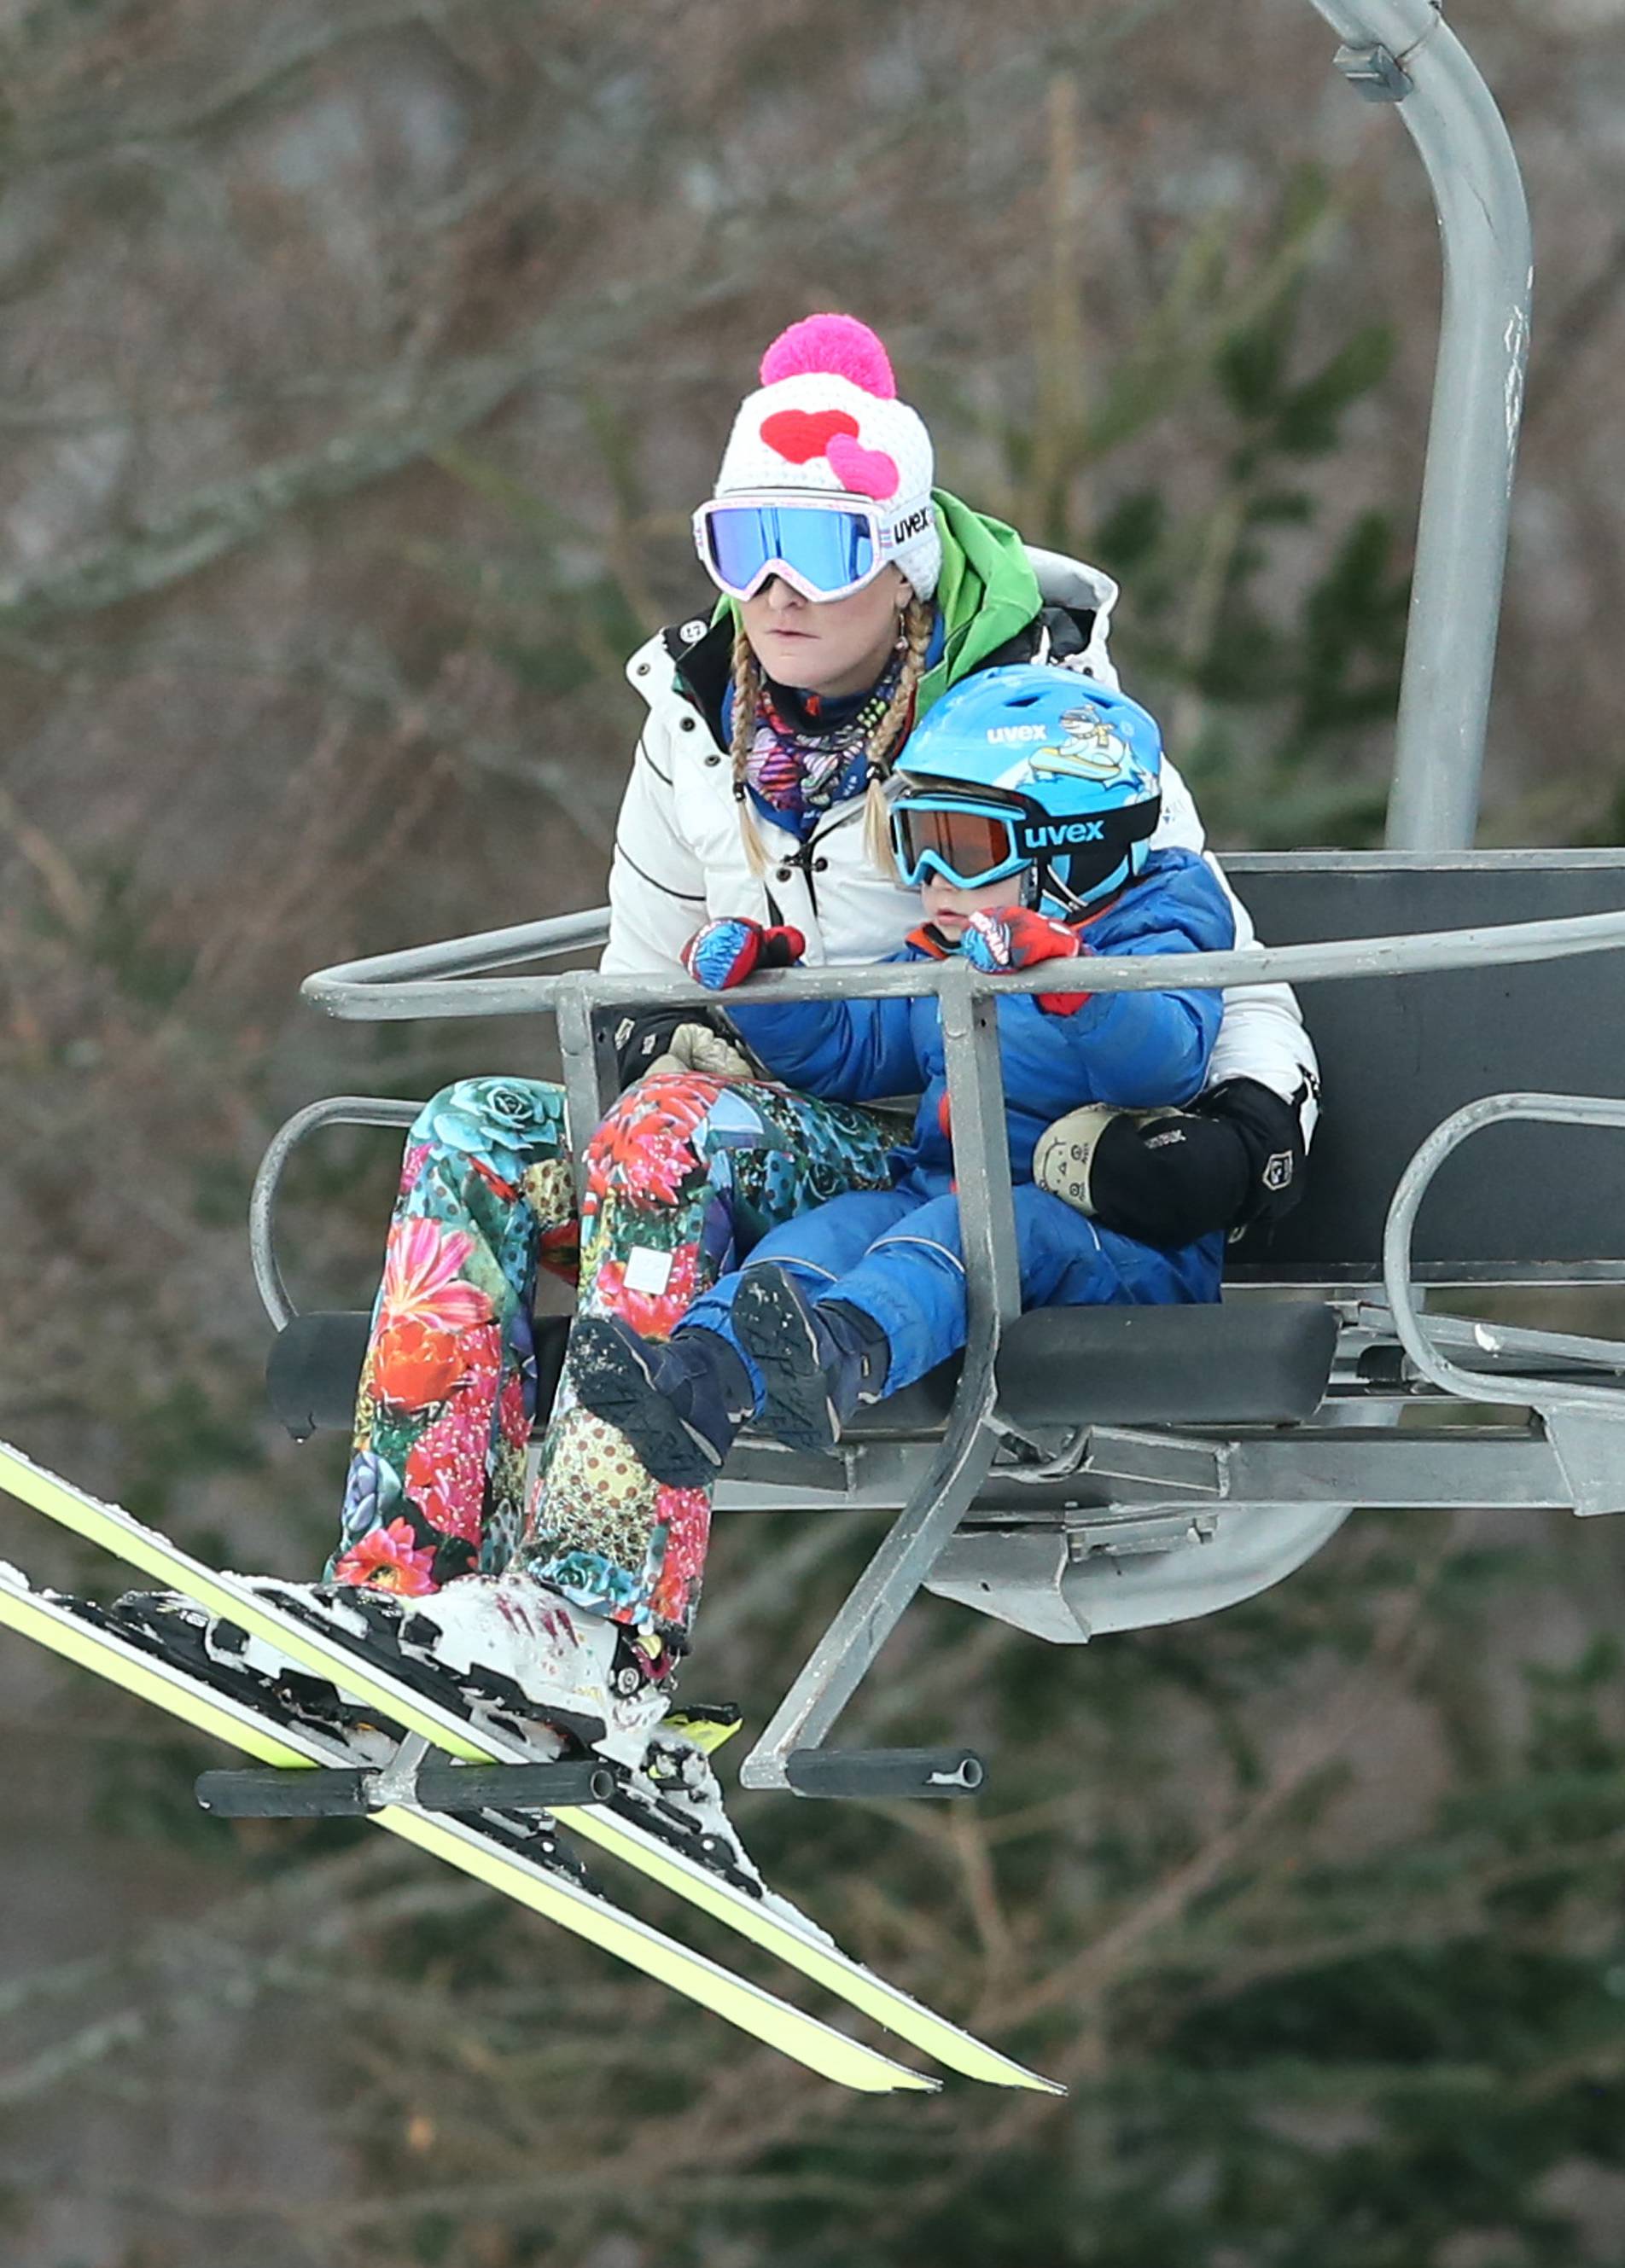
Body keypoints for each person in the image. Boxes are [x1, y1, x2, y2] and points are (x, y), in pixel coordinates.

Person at [320, 312, 1317, 1753]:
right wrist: (678, 1026)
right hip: (767, 1097)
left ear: (903, 555)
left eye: (824, 548)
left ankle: (597, 1618)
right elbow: (636, 974)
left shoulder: (1038, 719)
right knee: (479, 1130)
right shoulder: (693, 717)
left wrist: (1245, 1137)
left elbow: (1209, 945)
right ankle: (397, 1583)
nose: (776, 591)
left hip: (918, 1122)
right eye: (743, 546)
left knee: (667, 1142)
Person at [566, 666, 1234, 1486]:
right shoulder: (945, 946)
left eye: (963, 848)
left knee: (966, 1235)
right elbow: (855, 1051)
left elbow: (1166, 1058)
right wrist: (769, 994)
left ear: (1074, 847)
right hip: (944, 1188)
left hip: (1117, 1241)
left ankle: (844, 1353)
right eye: (914, 844)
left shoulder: (1159, 921)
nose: (932, 884)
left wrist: (1070, 980)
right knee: (825, 1234)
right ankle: (699, 1379)